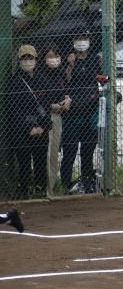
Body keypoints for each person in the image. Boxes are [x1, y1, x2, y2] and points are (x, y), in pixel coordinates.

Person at [7, 45, 52, 198]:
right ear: (19, 60)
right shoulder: (14, 83)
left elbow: (47, 105)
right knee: (24, 165)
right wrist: (29, 128)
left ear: (36, 59)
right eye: (24, 58)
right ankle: (25, 193)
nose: (27, 61)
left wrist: (42, 127)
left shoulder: (43, 80)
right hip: (22, 132)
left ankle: (40, 192)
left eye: (30, 57)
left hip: (41, 129)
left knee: (41, 164)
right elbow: (13, 111)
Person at [61, 32, 101, 193]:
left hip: (91, 111)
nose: (81, 42)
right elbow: (65, 82)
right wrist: (70, 66)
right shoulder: (69, 59)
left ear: (90, 41)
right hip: (73, 112)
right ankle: (65, 185)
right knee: (70, 150)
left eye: (84, 39)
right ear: (73, 41)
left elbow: (101, 80)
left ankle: (86, 183)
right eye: (78, 39)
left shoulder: (95, 60)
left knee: (87, 151)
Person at [38, 43, 71, 197]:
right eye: (50, 56)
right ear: (44, 58)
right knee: (46, 153)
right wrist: (53, 106)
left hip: (58, 117)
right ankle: (44, 190)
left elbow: (66, 91)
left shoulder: (60, 73)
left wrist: (67, 99)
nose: (54, 59)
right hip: (45, 116)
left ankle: (51, 188)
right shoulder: (39, 74)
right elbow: (38, 100)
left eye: (56, 56)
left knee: (54, 154)